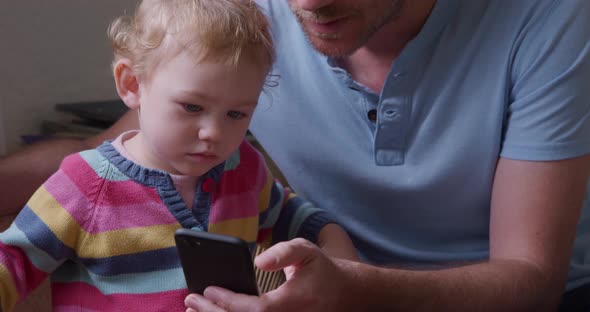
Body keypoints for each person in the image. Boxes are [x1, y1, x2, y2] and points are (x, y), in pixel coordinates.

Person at [1, 0, 590, 311]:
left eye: (239, 113)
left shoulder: (549, 18)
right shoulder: (241, 19)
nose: (306, 2)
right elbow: (92, 157)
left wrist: (351, 280)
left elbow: (533, 281)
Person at [0, 0, 358, 311]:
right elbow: (12, 261)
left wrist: (332, 238)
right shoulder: (85, 185)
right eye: (192, 106)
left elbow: (292, 214)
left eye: (237, 114)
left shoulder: (243, 167)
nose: (214, 133)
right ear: (132, 85)